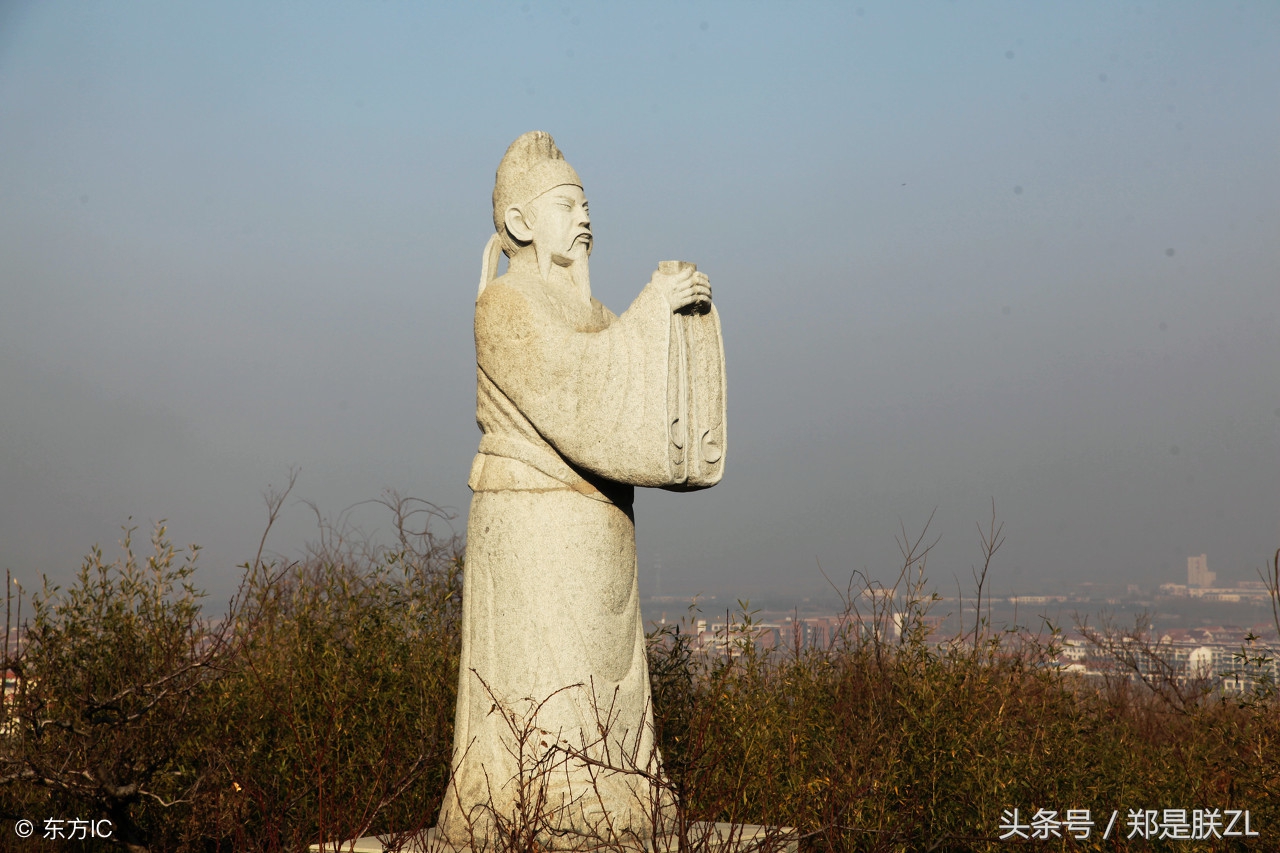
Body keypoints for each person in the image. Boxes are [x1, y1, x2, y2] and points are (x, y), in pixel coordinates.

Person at [436, 131, 725, 849]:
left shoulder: (596, 318)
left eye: (586, 202)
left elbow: (624, 392)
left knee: (606, 689)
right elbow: (579, 386)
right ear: (523, 222)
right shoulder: (503, 306)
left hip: (602, 529)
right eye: (566, 202)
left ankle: (618, 794)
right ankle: (543, 808)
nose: (583, 214)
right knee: (548, 686)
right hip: (533, 523)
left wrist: (677, 321)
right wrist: (653, 308)